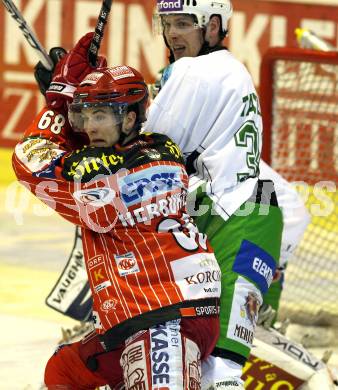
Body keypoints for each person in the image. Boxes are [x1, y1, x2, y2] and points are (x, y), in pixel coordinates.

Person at [13, 35, 221, 389]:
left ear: (128, 119)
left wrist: (58, 104)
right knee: (65, 371)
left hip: (163, 317)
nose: (90, 126)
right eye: (85, 114)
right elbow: (93, 154)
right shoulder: (160, 146)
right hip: (160, 308)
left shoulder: (105, 178)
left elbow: (30, 160)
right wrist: (71, 102)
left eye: (100, 114)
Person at [144, 1, 284, 388]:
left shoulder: (195, 70)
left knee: (215, 367)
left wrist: (75, 102)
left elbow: (142, 154)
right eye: (167, 24)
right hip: (245, 214)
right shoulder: (228, 70)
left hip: (237, 225)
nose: (173, 33)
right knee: (204, 361)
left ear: (213, 26)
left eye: (185, 24)